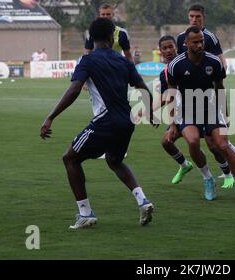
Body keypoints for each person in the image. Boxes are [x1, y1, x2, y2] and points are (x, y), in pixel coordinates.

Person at [40, 18, 156, 229]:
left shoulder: (88, 60)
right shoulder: (123, 61)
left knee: (70, 159)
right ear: (112, 38)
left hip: (106, 121)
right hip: (126, 121)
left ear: (91, 38)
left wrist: (50, 117)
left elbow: (74, 90)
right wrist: (150, 112)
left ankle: (85, 213)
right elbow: (141, 85)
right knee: (114, 160)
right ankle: (143, 200)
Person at [167, 26, 235, 203]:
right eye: (195, 42)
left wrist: (225, 114)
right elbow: (171, 95)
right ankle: (208, 179)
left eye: (201, 41)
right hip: (187, 112)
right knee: (193, 142)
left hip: (211, 110)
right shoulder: (175, 65)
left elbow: (220, 89)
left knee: (223, 145)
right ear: (186, 43)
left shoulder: (214, 62)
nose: (200, 44)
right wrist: (172, 124)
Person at [144, 35, 235, 189]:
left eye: (171, 47)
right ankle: (185, 165)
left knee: (213, 144)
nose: (169, 50)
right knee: (166, 141)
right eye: (165, 48)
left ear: (177, 47)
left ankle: (227, 172)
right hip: (183, 115)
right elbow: (167, 97)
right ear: (161, 52)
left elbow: (216, 87)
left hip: (206, 110)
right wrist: (150, 111)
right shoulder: (165, 72)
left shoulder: (189, 61)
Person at [176, 3, 235, 181]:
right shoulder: (181, 38)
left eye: (197, 16)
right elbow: (178, 62)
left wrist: (216, 73)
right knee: (195, 138)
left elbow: (220, 60)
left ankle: (230, 161)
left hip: (208, 95)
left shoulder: (210, 38)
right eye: (191, 16)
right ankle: (231, 157)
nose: (194, 19)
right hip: (187, 97)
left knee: (212, 140)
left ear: (203, 17)